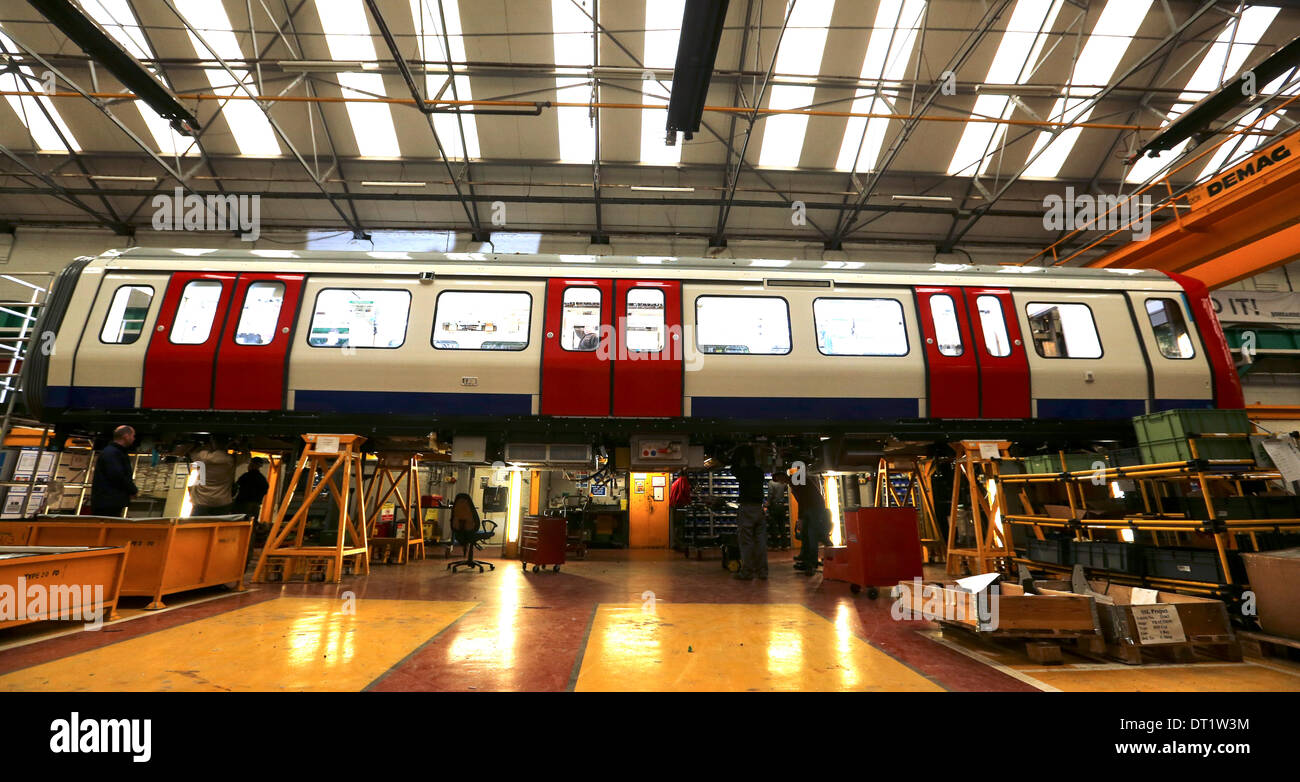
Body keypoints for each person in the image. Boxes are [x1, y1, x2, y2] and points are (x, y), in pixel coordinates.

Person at [773, 463, 830, 575]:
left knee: (811, 534)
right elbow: (801, 501)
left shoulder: (795, 480)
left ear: (783, 475)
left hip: (815, 508)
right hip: (810, 507)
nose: (779, 482)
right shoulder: (792, 482)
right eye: (777, 481)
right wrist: (801, 518)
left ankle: (812, 563)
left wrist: (801, 518)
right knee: (805, 533)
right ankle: (805, 558)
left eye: (778, 478)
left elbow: (804, 499)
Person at [728, 445, 768, 581]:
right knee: (760, 541)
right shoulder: (759, 471)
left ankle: (747, 572)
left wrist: (738, 451)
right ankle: (762, 571)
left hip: (747, 509)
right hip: (759, 509)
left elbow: (733, 468)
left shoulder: (743, 471)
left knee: (746, 542)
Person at [90, 425, 138, 516]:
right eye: (133, 436)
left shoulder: (113, 452)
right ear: (126, 436)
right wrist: (132, 490)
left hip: (108, 501)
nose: (133, 439)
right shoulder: (113, 453)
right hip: (108, 502)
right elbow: (117, 475)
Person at [188, 439, 236, 516]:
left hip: (201, 501)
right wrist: (241, 445)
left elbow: (192, 453)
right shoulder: (232, 459)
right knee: (219, 526)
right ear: (228, 444)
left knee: (195, 525)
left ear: (213, 443)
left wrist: (205, 445)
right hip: (222, 502)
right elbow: (246, 456)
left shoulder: (204, 457)